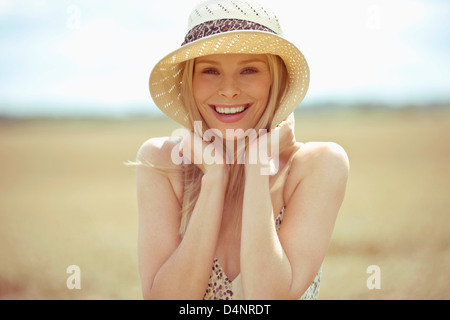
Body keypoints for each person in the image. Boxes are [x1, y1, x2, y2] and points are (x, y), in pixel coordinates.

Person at [135, 0, 349, 300]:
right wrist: (213, 179)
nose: (229, 89)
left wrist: (256, 167)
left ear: (277, 79)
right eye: (210, 70)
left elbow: (269, 298)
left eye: (249, 69)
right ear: (190, 82)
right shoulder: (161, 162)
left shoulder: (318, 165)